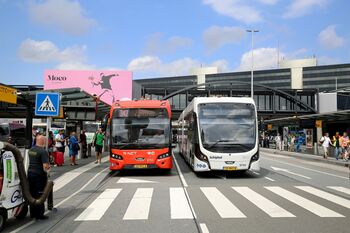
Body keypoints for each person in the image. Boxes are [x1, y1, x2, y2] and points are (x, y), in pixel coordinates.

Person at [27, 134, 50, 220]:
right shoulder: (43, 151)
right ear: (43, 141)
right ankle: (39, 214)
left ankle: (32, 213)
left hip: (30, 174)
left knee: (32, 194)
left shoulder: (31, 150)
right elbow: (45, 166)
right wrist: (48, 168)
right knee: (40, 195)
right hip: (39, 175)